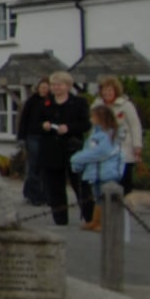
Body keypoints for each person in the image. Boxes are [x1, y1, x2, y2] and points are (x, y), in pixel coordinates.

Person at [33, 70, 91, 227]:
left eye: (59, 85)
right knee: (55, 187)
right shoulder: (45, 103)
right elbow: (35, 124)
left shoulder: (79, 102)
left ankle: (89, 217)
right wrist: (43, 125)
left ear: (68, 86)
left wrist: (69, 128)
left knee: (80, 185)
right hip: (51, 149)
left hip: (72, 149)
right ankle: (60, 219)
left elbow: (86, 124)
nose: (55, 88)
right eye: (53, 85)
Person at [70, 103, 127, 232]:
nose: (91, 119)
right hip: (96, 171)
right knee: (98, 197)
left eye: (93, 117)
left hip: (107, 170)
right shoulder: (94, 133)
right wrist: (79, 165)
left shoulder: (109, 134)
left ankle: (105, 223)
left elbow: (100, 152)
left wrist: (76, 159)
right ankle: (95, 221)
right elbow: (88, 149)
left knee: (106, 198)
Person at [95, 75, 145, 193]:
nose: (107, 93)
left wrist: (137, 145)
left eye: (110, 90)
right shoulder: (96, 105)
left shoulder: (126, 105)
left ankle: (125, 209)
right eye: (104, 90)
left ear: (116, 91)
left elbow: (135, 126)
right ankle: (108, 208)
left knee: (124, 182)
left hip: (124, 149)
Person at [15, 85, 51, 209]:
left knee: (44, 167)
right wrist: (21, 138)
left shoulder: (51, 101)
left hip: (46, 137)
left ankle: (44, 194)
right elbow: (24, 120)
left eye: (46, 87)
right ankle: (33, 195)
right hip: (32, 136)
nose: (44, 89)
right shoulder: (31, 101)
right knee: (33, 166)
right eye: (43, 87)